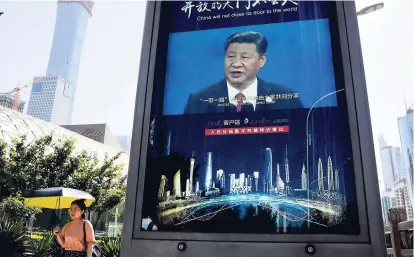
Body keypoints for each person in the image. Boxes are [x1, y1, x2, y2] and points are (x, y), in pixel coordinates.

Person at [184, 31, 303, 114]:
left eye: (244, 57)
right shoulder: (198, 101)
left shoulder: (286, 99)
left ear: (261, 60)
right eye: (230, 56)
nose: (236, 63)